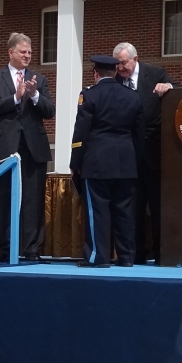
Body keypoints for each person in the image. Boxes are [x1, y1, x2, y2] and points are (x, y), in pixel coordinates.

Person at [0, 31, 54, 262]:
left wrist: (34, 95)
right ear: (10, 52)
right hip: (4, 147)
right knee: (4, 198)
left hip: (33, 148)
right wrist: (15, 97)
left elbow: (50, 111)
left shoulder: (39, 79)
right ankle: (5, 248)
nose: (27, 56)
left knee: (33, 199)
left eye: (30, 52)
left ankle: (32, 249)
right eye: (23, 52)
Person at [70, 54, 143, 267]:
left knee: (98, 211)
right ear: (115, 72)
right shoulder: (133, 96)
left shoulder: (89, 95)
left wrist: (75, 162)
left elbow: (81, 132)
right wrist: (134, 160)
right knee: (125, 212)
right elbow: (139, 134)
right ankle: (126, 257)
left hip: (97, 162)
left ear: (96, 73)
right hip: (126, 161)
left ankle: (98, 256)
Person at [113, 43, 174, 263]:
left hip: (154, 152)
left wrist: (168, 87)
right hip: (127, 154)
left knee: (157, 206)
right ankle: (136, 253)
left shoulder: (156, 73)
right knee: (133, 207)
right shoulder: (115, 80)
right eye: (117, 64)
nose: (120, 68)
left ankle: (161, 253)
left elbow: (177, 91)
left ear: (135, 59)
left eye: (124, 63)